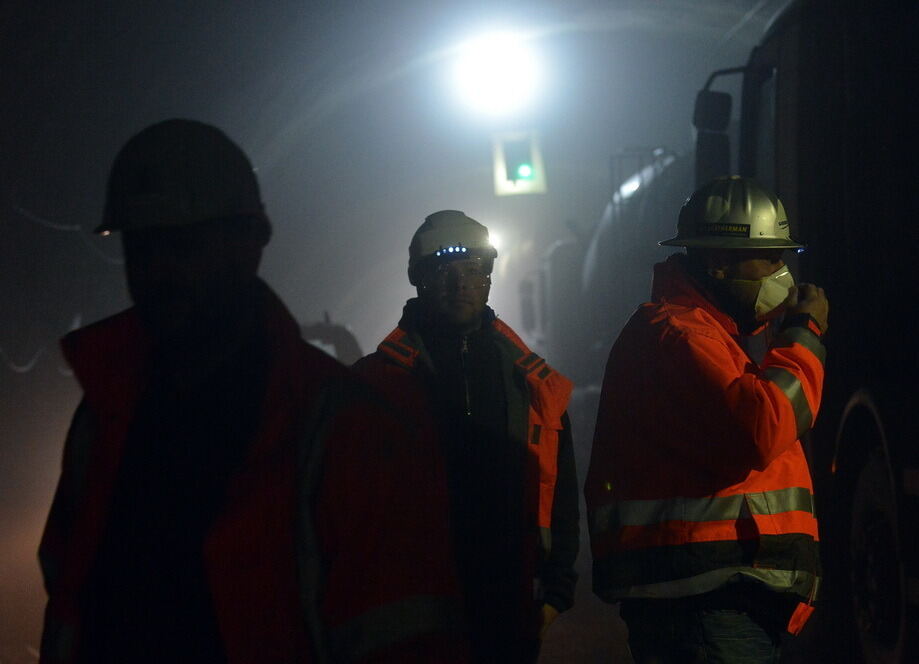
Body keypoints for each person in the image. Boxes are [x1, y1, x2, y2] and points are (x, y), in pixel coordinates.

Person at [38, 119, 467, 664]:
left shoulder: (344, 430)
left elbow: (403, 634)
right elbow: (70, 589)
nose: (159, 271)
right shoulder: (104, 414)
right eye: (142, 249)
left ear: (250, 245)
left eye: (185, 246)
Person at [585, 176, 828, 663]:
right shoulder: (680, 335)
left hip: (716, 598)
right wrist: (805, 334)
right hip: (703, 604)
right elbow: (763, 428)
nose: (783, 274)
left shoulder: (708, 335)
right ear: (718, 262)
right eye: (771, 258)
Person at [353, 210, 579, 663]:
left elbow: (561, 488)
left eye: (474, 270)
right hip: (412, 610)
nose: (461, 283)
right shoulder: (372, 386)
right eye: (444, 270)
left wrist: (556, 590)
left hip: (508, 600)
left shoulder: (530, 381)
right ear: (418, 278)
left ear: (490, 278)